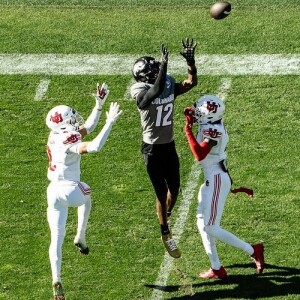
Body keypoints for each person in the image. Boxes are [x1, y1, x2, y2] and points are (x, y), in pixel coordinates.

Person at [45, 83, 122, 300]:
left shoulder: (54, 136)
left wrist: (99, 106)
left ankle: (56, 279)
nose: (74, 120)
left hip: (53, 191)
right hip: (71, 189)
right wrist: (109, 123)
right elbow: (94, 146)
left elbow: (86, 128)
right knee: (87, 193)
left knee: (56, 239)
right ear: (64, 123)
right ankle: (81, 234)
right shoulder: (68, 139)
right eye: (71, 118)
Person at [183, 95, 264, 278]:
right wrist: (193, 115)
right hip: (213, 178)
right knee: (201, 221)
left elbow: (199, 154)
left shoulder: (214, 130)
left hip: (217, 178)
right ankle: (216, 267)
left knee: (211, 227)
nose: (197, 113)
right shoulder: (211, 123)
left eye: (200, 111)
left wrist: (188, 130)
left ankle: (253, 250)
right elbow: (200, 119)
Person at [130, 38, 198, 258]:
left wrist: (191, 64)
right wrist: (165, 66)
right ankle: (165, 231)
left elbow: (190, 83)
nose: (158, 70)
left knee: (174, 190)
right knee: (160, 193)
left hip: (169, 145)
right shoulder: (139, 89)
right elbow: (153, 92)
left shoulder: (167, 82)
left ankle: (165, 215)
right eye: (155, 69)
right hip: (152, 149)